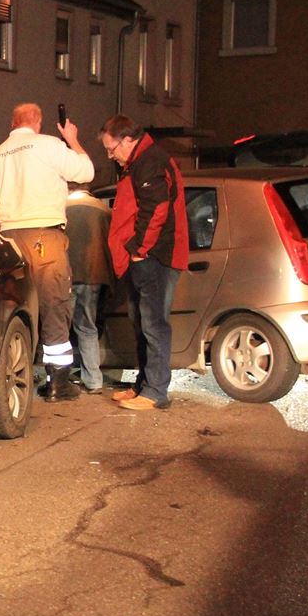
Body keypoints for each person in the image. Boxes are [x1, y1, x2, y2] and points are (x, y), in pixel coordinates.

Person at [0, 102, 94, 402]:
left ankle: (15, 373)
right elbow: (86, 171)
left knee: (15, 305)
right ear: (38, 122)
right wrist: (72, 138)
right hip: (45, 238)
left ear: (13, 122)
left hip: (7, 241)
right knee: (55, 304)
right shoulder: (49, 145)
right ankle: (58, 382)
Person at [99, 115, 189, 410]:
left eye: (112, 149)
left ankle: (155, 391)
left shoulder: (150, 161)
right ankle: (144, 386)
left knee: (153, 323)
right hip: (147, 256)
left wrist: (139, 248)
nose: (110, 155)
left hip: (154, 256)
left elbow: (156, 208)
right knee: (142, 322)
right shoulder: (141, 161)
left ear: (128, 139)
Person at [65, 189, 113, 394]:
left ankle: (65, 379)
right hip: (96, 275)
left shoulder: (62, 208)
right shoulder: (103, 210)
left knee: (62, 330)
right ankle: (92, 378)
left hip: (69, 274)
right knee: (88, 327)